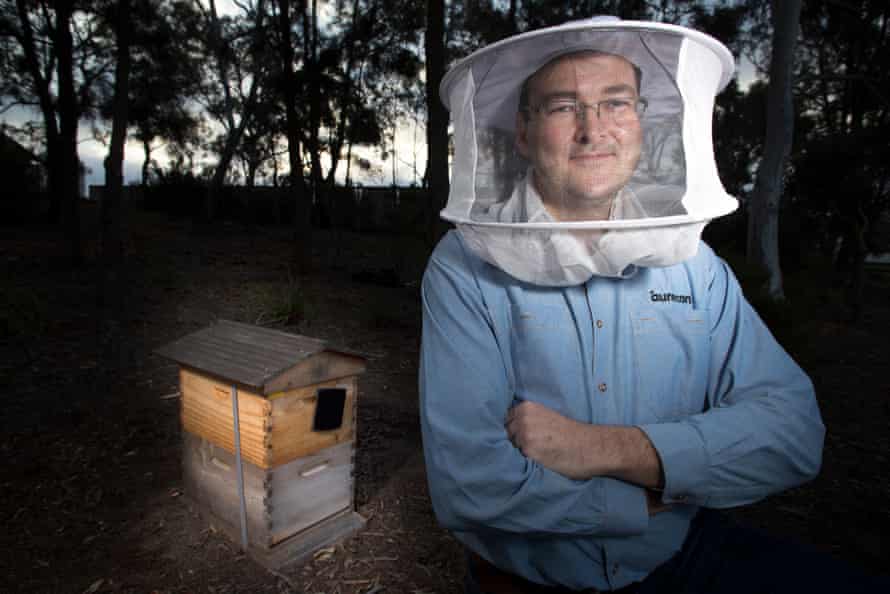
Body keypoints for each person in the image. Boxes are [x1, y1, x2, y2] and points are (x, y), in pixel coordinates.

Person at [419, 17, 887, 594]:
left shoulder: (693, 263)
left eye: (615, 103)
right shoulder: (464, 264)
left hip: (679, 558)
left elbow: (792, 433)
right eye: (564, 107)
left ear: (642, 122)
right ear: (522, 131)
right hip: (526, 581)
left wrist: (606, 448)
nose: (594, 131)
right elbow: (469, 483)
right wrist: (649, 498)